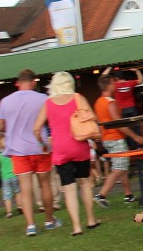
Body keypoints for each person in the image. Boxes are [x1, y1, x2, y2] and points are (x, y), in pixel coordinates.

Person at [0, 69, 61, 237]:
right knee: (45, 185)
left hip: (18, 150)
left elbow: (0, 126)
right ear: (34, 82)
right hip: (41, 147)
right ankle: (49, 220)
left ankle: (31, 225)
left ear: (17, 83)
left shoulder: (5, 101)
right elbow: (52, 121)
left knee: (25, 189)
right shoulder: (43, 99)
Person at [33, 71, 97, 235]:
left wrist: (43, 144)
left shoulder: (48, 103)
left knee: (69, 189)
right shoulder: (78, 98)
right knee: (85, 183)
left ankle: (76, 227)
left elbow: (36, 128)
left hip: (60, 150)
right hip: (79, 146)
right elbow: (92, 117)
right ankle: (90, 219)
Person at [94, 73, 143, 207]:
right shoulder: (111, 102)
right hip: (116, 137)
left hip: (107, 138)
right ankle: (101, 195)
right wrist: (136, 137)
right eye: (113, 83)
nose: (115, 85)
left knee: (122, 166)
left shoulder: (98, 102)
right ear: (109, 85)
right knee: (119, 168)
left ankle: (128, 194)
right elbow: (118, 123)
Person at [0, 138, 20, 218]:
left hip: (5, 177)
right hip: (15, 175)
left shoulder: (0, 155)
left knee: (7, 195)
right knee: (18, 191)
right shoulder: (12, 153)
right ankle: (20, 206)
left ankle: (9, 212)